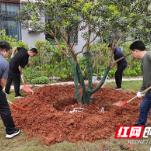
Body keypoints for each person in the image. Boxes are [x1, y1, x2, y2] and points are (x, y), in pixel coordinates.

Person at [0, 41, 20, 138]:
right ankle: (11, 131)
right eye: (8, 53)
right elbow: (3, 82)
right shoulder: (4, 63)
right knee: (4, 109)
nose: (7, 55)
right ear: (4, 51)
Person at [130, 40, 151, 126]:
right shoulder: (143, 62)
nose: (133, 55)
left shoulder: (149, 55)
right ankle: (140, 124)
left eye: (132, 53)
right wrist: (141, 91)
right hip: (149, 92)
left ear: (136, 51)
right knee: (143, 107)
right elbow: (145, 79)